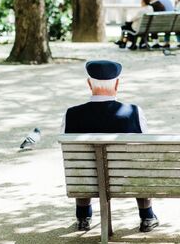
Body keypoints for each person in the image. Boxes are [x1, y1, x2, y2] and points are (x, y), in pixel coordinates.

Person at [62, 60, 159, 233]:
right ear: (117, 84)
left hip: (88, 181)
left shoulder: (71, 114)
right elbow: (145, 146)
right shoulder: (134, 112)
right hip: (126, 179)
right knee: (141, 161)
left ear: (89, 84)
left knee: (81, 164)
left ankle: (83, 217)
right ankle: (147, 216)